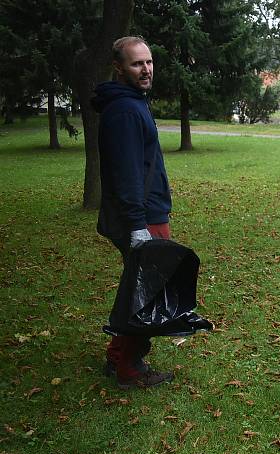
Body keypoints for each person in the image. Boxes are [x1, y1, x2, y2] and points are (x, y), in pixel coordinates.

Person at [91, 36, 174, 389]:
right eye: (137, 64)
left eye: (149, 62)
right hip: (142, 217)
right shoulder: (125, 110)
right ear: (119, 67)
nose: (146, 69)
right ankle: (129, 366)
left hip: (148, 211)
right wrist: (139, 227)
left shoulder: (132, 102)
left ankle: (118, 355)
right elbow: (126, 174)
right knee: (147, 291)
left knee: (139, 287)